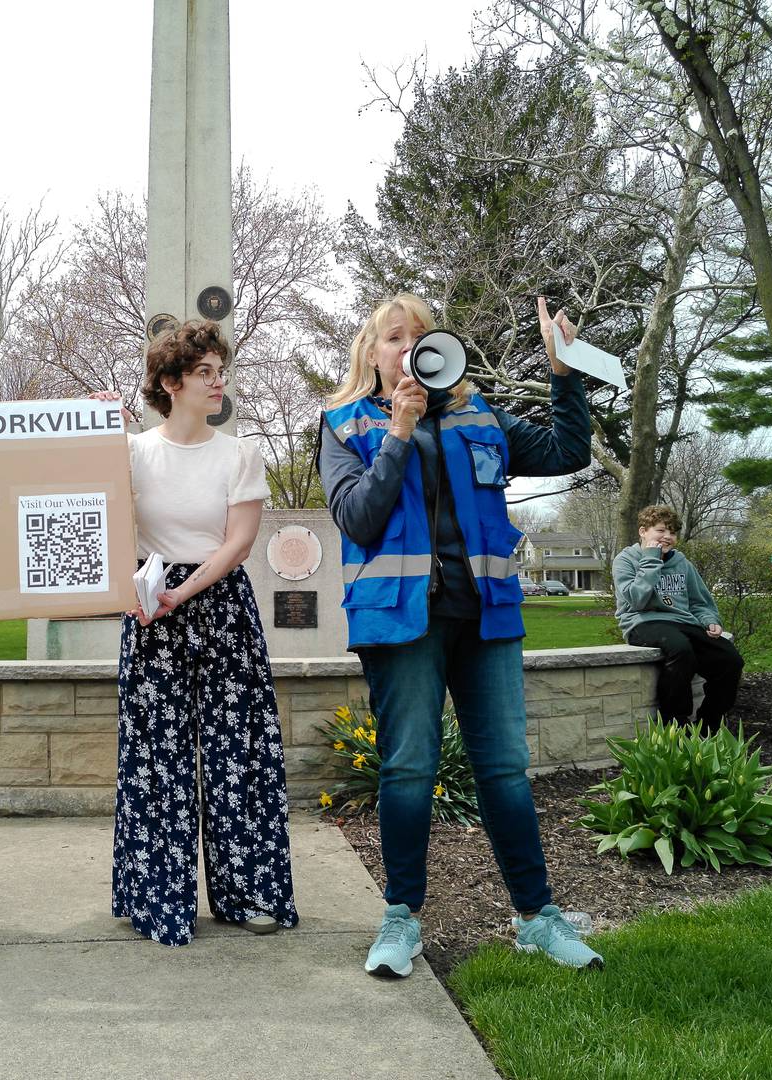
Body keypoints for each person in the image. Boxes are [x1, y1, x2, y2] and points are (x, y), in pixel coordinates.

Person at [316, 293, 603, 975]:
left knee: (504, 767)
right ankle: (400, 920)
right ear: (372, 354)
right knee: (408, 768)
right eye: (394, 337)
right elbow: (357, 518)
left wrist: (565, 370)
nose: (409, 348)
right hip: (400, 622)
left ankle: (537, 918)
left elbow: (568, 448)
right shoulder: (344, 424)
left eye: (422, 336)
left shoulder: (482, 418)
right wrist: (397, 432)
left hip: (487, 616)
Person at [102, 319, 298, 947]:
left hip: (219, 609)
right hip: (149, 612)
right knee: (154, 759)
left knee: (238, 753)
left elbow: (238, 543)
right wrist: (97, 426)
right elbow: (83, 498)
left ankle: (251, 893)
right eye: (204, 373)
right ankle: (155, 896)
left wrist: (181, 593)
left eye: (221, 372)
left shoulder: (239, 453)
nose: (218, 384)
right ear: (169, 382)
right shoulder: (132, 452)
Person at [613, 504, 744, 730]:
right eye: (661, 530)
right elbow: (637, 600)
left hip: (683, 623)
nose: (667, 537)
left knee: (730, 659)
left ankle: (708, 727)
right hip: (642, 622)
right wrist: (652, 559)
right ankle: (675, 727)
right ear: (643, 531)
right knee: (680, 649)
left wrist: (709, 620)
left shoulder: (681, 562)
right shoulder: (626, 560)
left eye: (672, 532)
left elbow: (699, 601)